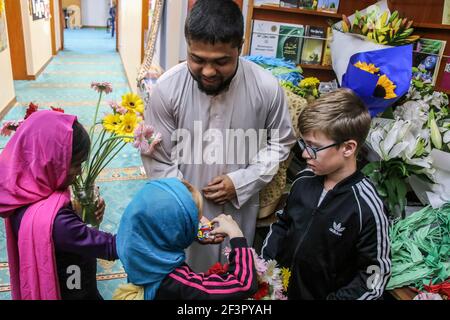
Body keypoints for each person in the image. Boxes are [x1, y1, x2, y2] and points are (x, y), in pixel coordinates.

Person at [141, 0, 296, 272]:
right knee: (182, 278)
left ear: (241, 46)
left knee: (232, 275)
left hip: (239, 208)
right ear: (187, 45)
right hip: (180, 208)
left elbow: (281, 143)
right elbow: (158, 159)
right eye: (197, 59)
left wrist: (242, 181)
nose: (209, 72)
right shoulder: (167, 88)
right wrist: (190, 204)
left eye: (221, 61)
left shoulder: (266, 87)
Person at [261, 88, 391, 300]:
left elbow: (374, 276)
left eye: (314, 147)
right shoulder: (304, 180)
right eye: (304, 143)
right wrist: (266, 267)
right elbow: (282, 224)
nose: (304, 154)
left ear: (348, 148)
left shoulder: (366, 206)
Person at [0, 110, 117, 300]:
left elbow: (69, 238)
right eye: (76, 164)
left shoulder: (20, 193)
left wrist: (82, 218)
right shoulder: (58, 222)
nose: (79, 172)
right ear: (50, 159)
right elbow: (110, 246)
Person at [114, 177, 258, 300]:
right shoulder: (176, 282)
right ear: (177, 231)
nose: (201, 221)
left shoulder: (133, 249)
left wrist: (193, 232)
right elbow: (243, 284)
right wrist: (236, 235)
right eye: (196, 220)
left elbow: (157, 229)